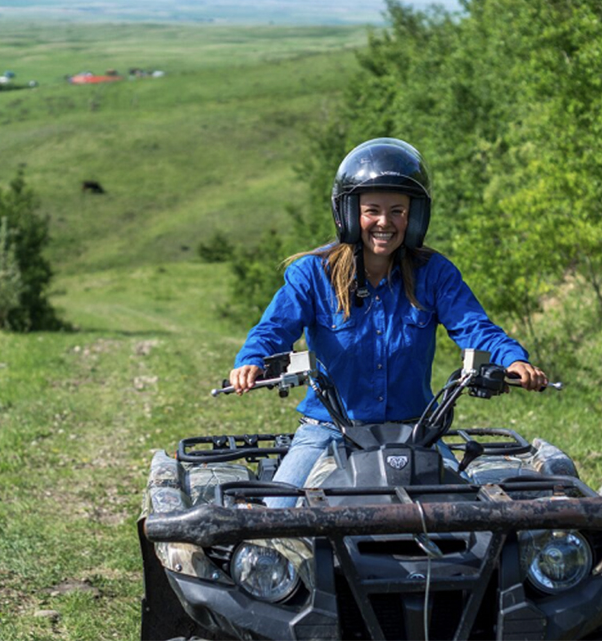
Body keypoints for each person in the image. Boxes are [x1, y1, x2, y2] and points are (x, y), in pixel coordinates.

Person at [228, 138, 547, 505]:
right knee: (278, 513)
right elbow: (274, 328)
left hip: (415, 433)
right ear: (348, 214)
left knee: (464, 512)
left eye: (398, 211)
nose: (385, 222)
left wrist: (512, 359)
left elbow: (475, 327)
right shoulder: (312, 274)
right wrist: (252, 359)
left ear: (415, 217)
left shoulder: (434, 273)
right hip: (328, 430)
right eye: (372, 211)